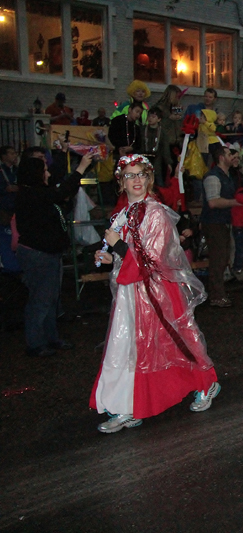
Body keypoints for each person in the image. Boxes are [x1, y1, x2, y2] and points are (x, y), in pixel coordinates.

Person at [91, 154, 220, 433]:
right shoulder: (124, 214)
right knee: (125, 347)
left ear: (148, 178)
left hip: (156, 294)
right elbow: (128, 256)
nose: (136, 180)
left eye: (141, 174)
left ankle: (206, 383)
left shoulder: (156, 213)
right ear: (121, 182)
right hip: (130, 293)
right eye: (130, 175)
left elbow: (152, 261)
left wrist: (118, 247)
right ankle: (127, 406)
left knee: (174, 342)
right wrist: (110, 257)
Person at [16, 151, 96, 356]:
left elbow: (60, 202)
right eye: (44, 170)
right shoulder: (31, 195)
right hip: (38, 254)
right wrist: (80, 168)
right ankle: (35, 343)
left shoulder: (39, 193)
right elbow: (60, 194)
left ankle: (50, 338)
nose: (48, 174)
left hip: (48, 253)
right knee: (41, 300)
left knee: (50, 299)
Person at [200, 143, 242, 307]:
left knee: (223, 258)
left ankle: (218, 292)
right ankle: (216, 295)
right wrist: (235, 202)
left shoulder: (226, 176)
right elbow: (213, 202)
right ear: (221, 158)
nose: (232, 157)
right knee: (218, 259)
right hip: (214, 222)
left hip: (222, 221)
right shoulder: (213, 177)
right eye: (229, 154)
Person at [139, 107, 171, 187]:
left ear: (159, 119)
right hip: (144, 158)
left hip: (157, 159)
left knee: (158, 179)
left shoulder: (162, 132)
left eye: (153, 117)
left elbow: (165, 148)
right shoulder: (143, 129)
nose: (150, 118)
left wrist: (168, 162)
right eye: (149, 116)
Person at [0, 145, 19, 271]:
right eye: (11, 153)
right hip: (4, 210)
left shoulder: (17, 170)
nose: (14, 155)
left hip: (16, 209)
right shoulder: (1, 171)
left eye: (15, 153)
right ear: (4, 156)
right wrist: (5, 189)